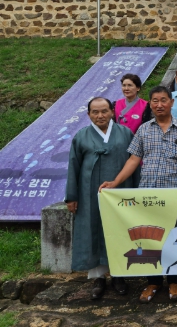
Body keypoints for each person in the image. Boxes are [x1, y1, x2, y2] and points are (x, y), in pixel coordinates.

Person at [99, 86, 177, 304]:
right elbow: (134, 159)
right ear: (150, 104)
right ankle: (153, 281)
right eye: (155, 101)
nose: (159, 105)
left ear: (171, 102)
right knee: (150, 238)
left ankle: (174, 281)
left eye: (163, 100)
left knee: (175, 238)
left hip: (176, 195)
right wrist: (115, 183)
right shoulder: (143, 130)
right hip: (148, 196)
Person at [66, 97, 139, 300]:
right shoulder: (81, 136)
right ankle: (98, 277)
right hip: (89, 193)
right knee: (93, 229)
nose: (100, 116)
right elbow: (73, 166)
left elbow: (134, 163)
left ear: (112, 112)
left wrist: (137, 192)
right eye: (95, 112)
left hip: (120, 191)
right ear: (88, 114)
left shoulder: (125, 133)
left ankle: (118, 275)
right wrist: (71, 196)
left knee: (119, 229)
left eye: (104, 111)